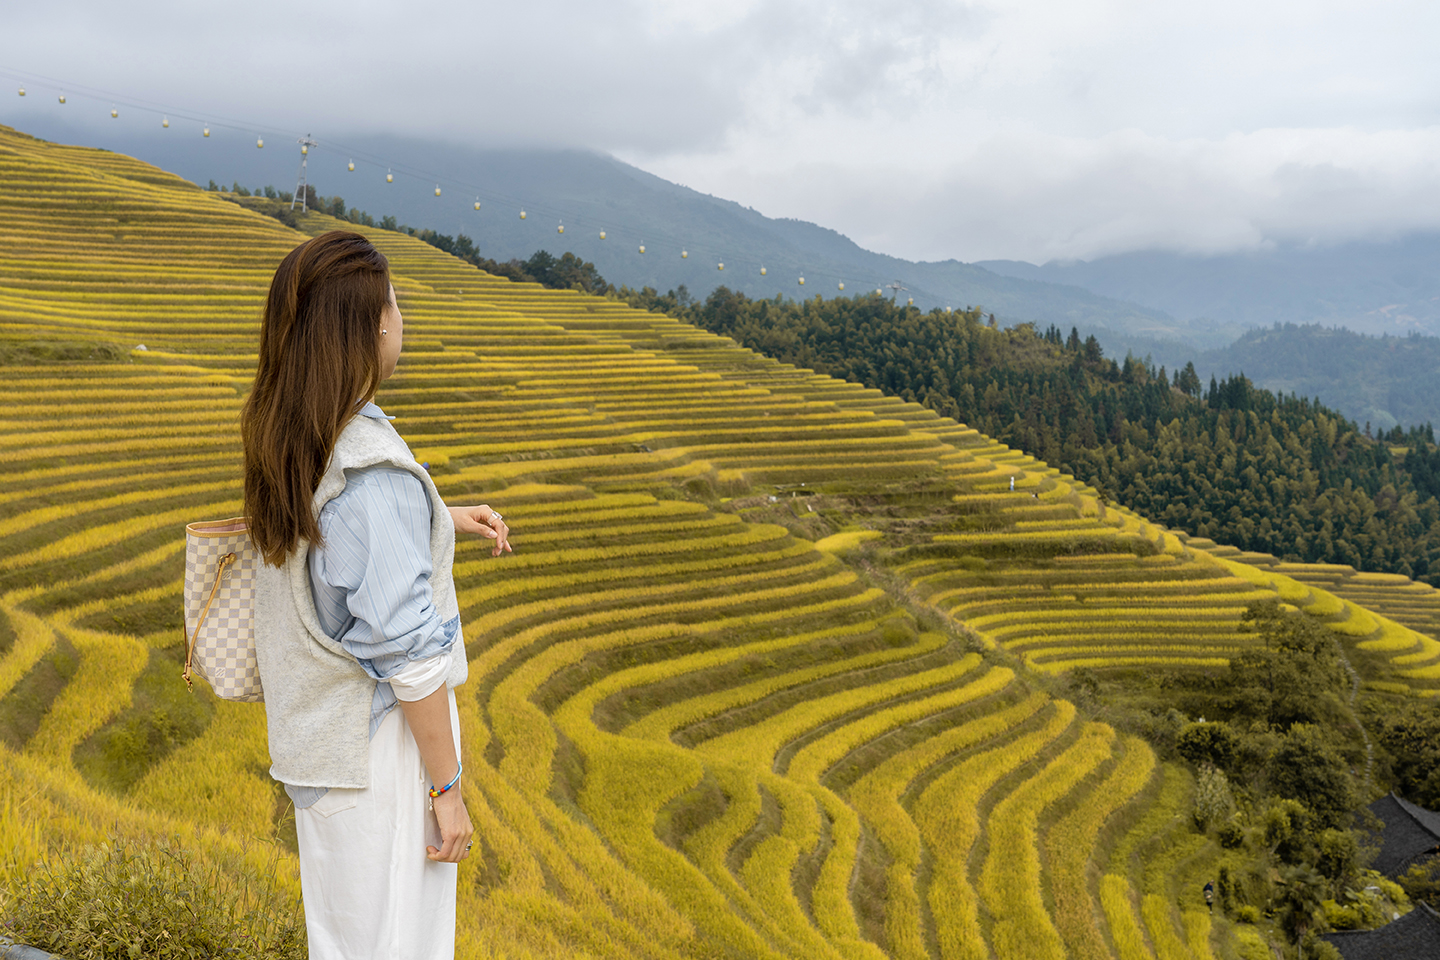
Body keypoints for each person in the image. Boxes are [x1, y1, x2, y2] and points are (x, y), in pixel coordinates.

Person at [241, 231, 512, 959]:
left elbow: (338, 544)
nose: (401, 319)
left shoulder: (295, 433)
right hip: (381, 760)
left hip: (323, 753)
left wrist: (430, 517)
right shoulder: (371, 474)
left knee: (344, 944)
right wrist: (446, 789)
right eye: (394, 304)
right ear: (368, 328)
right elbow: (412, 659)